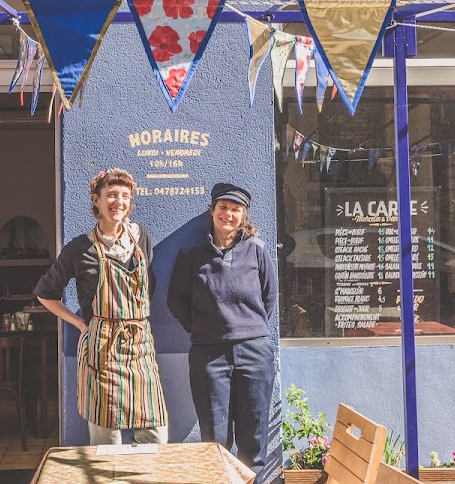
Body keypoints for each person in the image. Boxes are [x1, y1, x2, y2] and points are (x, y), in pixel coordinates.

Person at [33, 168, 168, 445]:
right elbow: (46, 293)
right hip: (102, 350)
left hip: (140, 347)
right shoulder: (80, 249)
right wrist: (81, 324)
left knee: (154, 435)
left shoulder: (141, 237)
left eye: (125, 196)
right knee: (107, 438)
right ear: (97, 200)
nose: (118, 202)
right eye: (111, 195)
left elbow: (148, 287)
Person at [168, 182, 277, 478]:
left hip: (255, 352)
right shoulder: (191, 255)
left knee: (253, 437)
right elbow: (175, 299)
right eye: (223, 207)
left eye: (235, 209)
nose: (228, 214)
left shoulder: (257, 250)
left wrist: (248, 326)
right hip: (208, 354)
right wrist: (202, 328)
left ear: (244, 215)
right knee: (214, 438)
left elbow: (268, 297)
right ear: (212, 211)